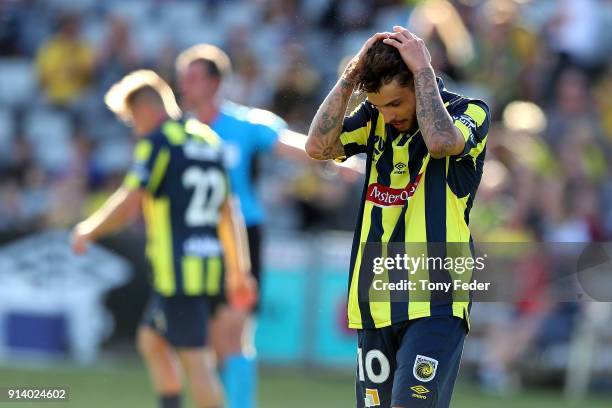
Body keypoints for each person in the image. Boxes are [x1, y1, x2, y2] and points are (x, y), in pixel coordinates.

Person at [306, 26, 491, 408]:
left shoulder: (469, 112)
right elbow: (318, 146)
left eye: (395, 103)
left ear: (417, 82)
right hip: (376, 294)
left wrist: (423, 72)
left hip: (437, 294)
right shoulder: (374, 119)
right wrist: (349, 77)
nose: (388, 115)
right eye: (379, 105)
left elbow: (441, 143)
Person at [71, 69, 256, 408]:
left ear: (144, 110)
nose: (133, 127)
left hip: (179, 271)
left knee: (197, 361)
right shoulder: (207, 139)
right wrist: (238, 268)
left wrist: (89, 229)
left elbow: (130, 201)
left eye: (131, 119)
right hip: (208, 264)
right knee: (151, 339)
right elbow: (229, 210)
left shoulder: (158, 142)